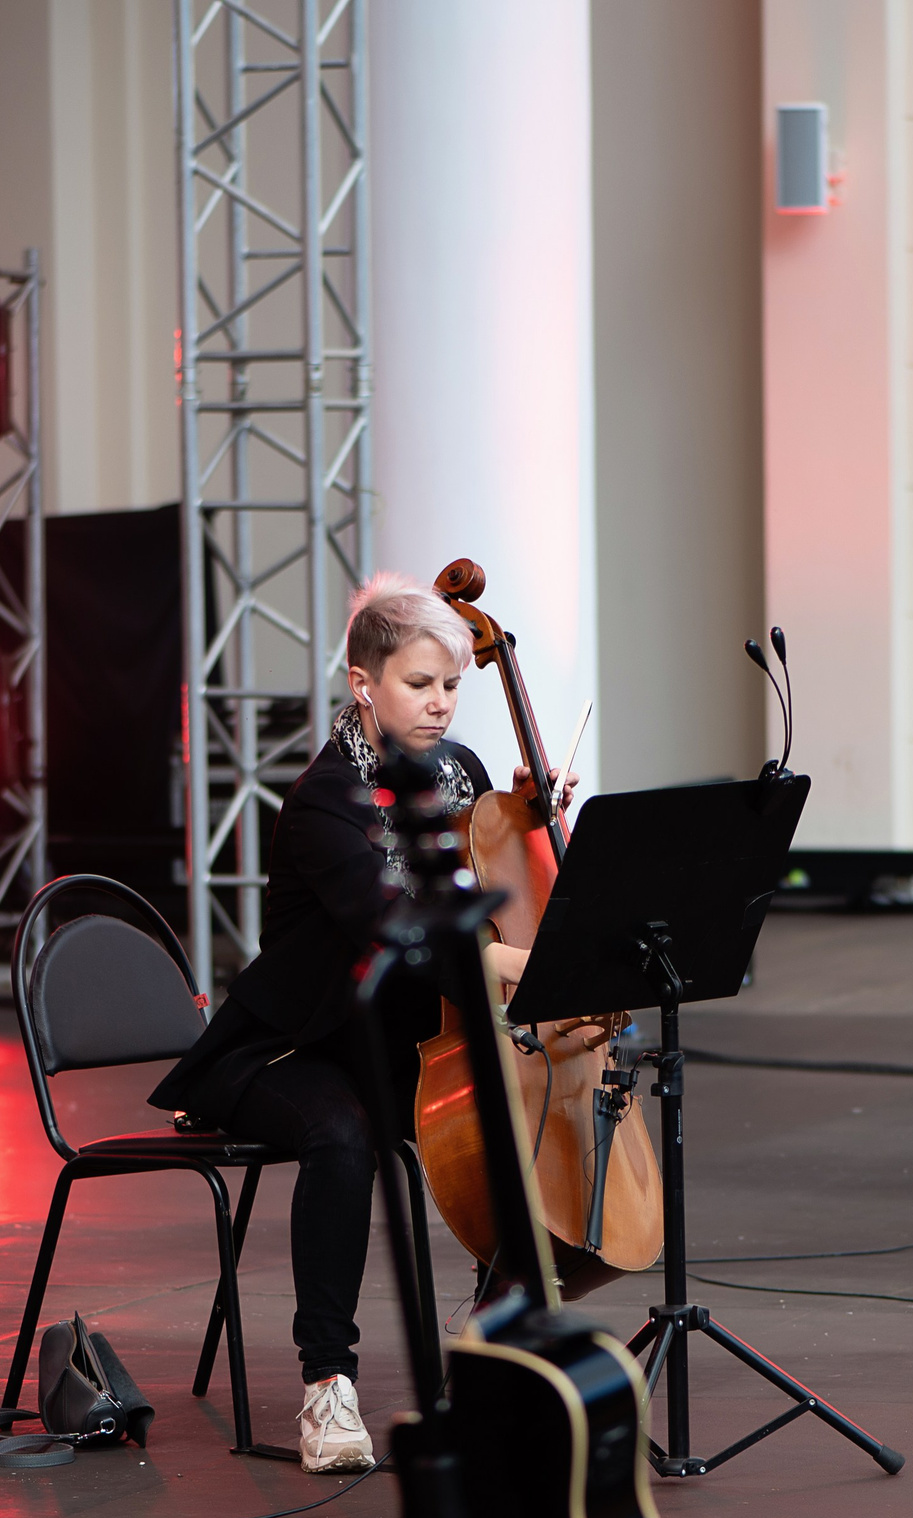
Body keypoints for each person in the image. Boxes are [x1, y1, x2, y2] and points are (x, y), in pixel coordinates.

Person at [150, 575, 596, 1471]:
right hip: (293, 1043)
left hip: (396, 1039)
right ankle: (327, 1387)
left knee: (516, 1108)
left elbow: (480, 878)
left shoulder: (460, 770)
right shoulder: (323, 802)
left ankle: (493, 1345)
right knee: (343, 1134)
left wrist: (519, 816)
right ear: (364, 684)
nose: (439, 704)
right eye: (420, 684)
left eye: (452, 686)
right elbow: (410, 934)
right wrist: (548, 975)